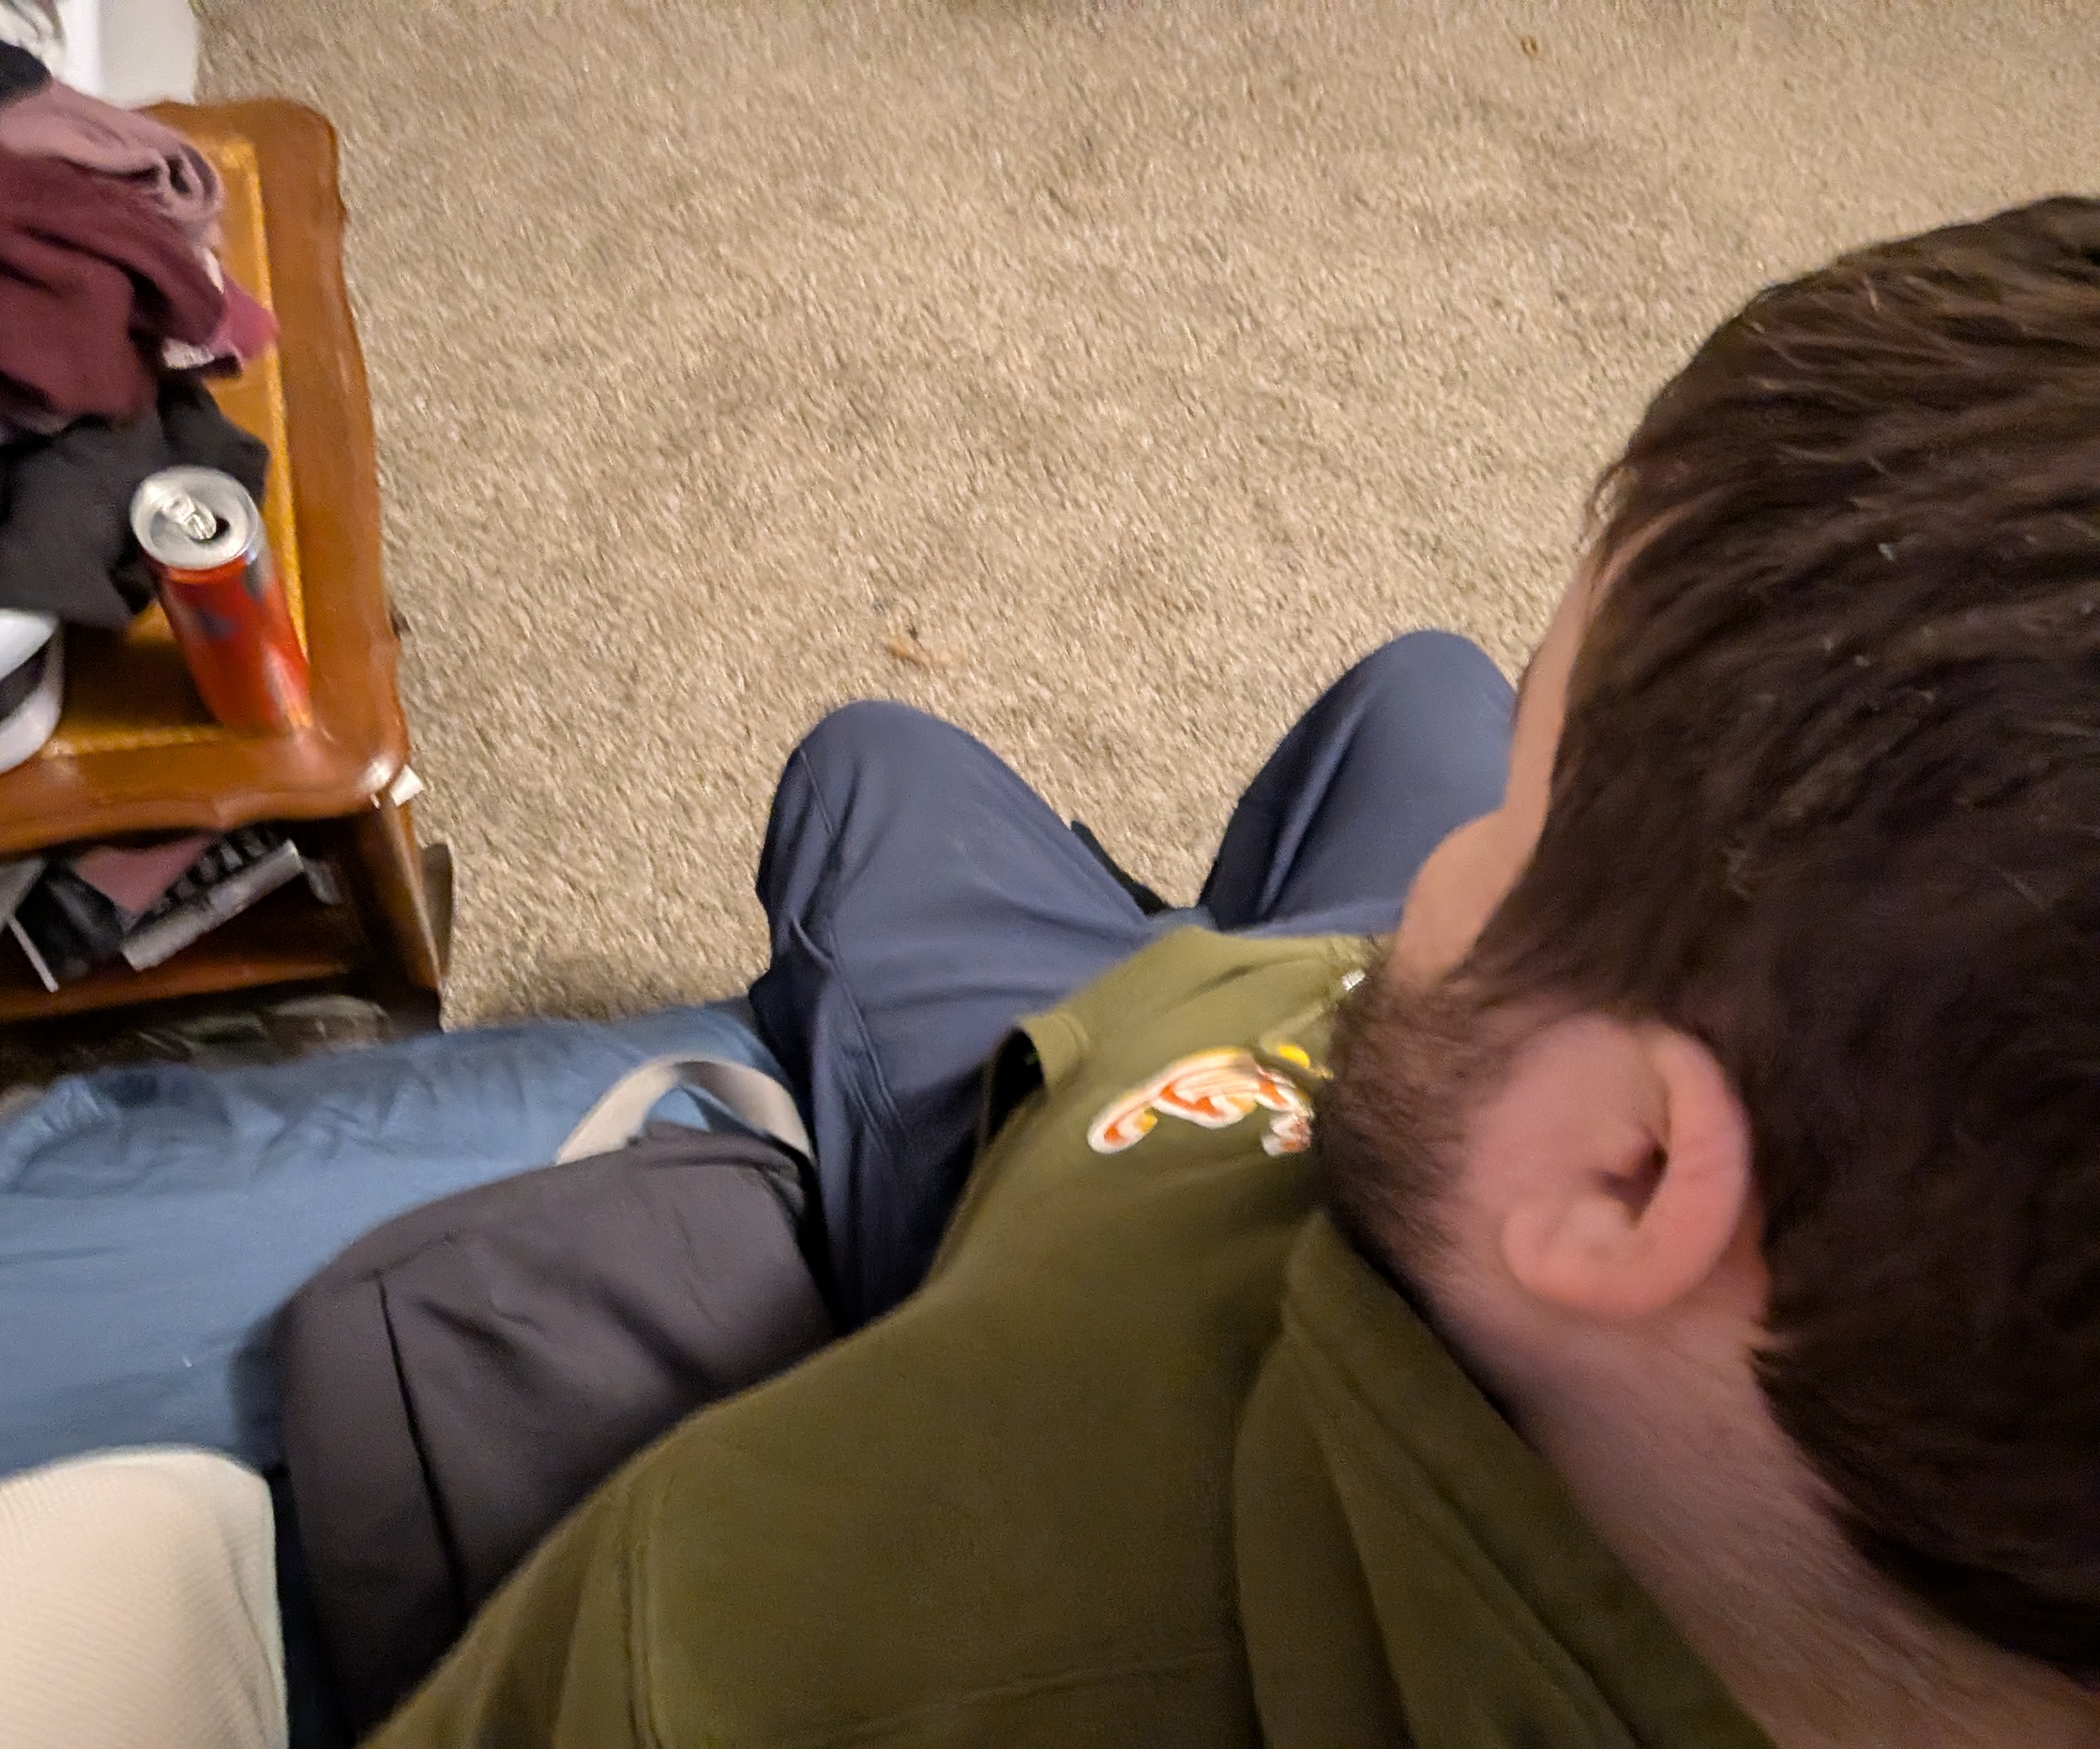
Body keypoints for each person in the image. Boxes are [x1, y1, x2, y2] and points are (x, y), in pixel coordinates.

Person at [370, 195, 2100, 1748]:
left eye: (1515, 816)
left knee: (880, 769)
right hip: (1409, 1092)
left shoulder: (751, 1631)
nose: (1461, 853)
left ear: (1630, 1173)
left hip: (1083, 1132)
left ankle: (1110, 931)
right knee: (1424, 689)